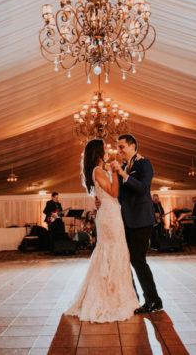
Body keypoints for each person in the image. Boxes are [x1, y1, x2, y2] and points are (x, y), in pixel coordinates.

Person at [66, 139, 139, 322]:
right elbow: (114, 193)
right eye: (104, 149)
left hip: (111, 211)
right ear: (98, 152)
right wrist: (114, 173)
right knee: (112, 251)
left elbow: (107, 194)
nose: (107, 151)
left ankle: (116, 293)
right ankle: (107, 296)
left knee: (116, 250)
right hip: (109, 215)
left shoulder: (100, 171)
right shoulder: (98, 171)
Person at [110, 134, 162, 313]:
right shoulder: (124, 166)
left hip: (141, 219)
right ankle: (133, 298)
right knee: (127, 259)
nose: (119, 150)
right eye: (118, 147)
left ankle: (154, 300)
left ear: (133, 146)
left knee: (138, 260)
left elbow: (143, 188)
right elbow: (118, 194)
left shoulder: (143, 163)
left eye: (122, 146)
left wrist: (123, 173)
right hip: (126, 220)